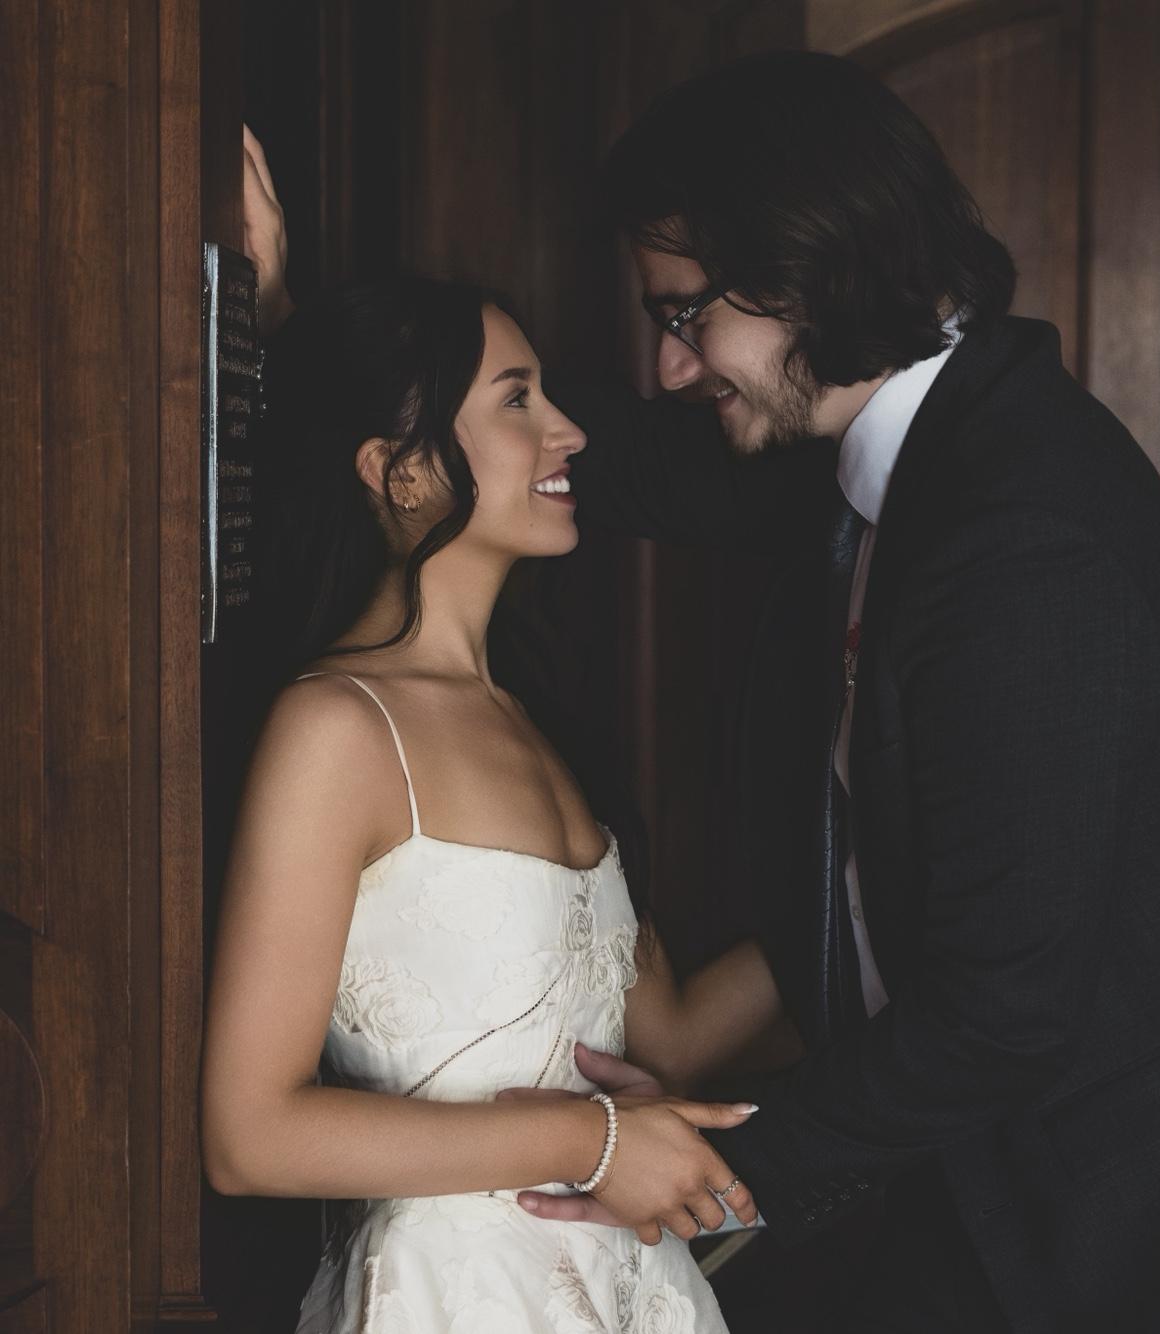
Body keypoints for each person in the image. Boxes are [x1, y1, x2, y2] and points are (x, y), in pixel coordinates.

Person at [245, 49, 1160, 1334]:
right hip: (992, 1172)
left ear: (801, 274)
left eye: (682, 316)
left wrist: (684, 1159)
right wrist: (292, 337)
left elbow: (1001, 1012)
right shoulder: (871, 452)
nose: (668, 367)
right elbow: (552, 457)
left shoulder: (1019, 531)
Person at [200, 273, 789, 1333]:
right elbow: (251, 1135)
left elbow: (666, 1036)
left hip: (631, 1289)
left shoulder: (539, 720)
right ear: (400, 470)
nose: (569, 432)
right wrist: (591, 1143)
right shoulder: (337, 729)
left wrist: (882, 882)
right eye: (518, 399)